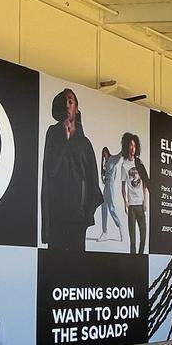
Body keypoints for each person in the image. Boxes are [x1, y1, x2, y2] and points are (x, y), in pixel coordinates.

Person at [40, 88, 102, 251]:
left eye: (70, 101)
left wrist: (87, 213)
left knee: (76, 261)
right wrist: (65, 139)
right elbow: (50, 169)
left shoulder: (85, 143)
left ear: (76, 108)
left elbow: (93, 182)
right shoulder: (53, 133)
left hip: (78, 217)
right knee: (55, 261)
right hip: (57, 214)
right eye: (64, 102)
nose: (67, 105)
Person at [120, 132, 150, 254]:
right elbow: (123, 187)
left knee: (143, 235)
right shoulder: (124, 165)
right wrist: (125, 203)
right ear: (127, 146)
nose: (133, 148)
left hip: (140, 204)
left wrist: (145, 201)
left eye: (134, 145)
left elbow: (145, 183)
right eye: (131, 145)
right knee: (132, 239)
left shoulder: (139, 163)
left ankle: (140, 256)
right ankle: (133, 259)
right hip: (132, 206)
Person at [98, 146, 123, 241]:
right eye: (103, 153)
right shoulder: (106, 162)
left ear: (108, 152)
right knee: (103, 207)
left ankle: (120, 226)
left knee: (111, 207)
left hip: (110, 185)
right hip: (106, 186)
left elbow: (120, 155)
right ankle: (104, 232)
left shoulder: (113, 159)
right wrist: (103, 178)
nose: (104, 155)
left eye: (105, 152)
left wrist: (125, 144)